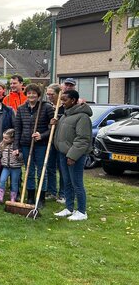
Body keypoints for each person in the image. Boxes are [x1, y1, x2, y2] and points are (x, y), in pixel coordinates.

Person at [53, 90, 92, 221]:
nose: (62, 103)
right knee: (67, 182)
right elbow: (64, 133)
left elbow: (83, 139)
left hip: (75, 156)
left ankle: (82, 211)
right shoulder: (65, 115)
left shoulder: (83, 117)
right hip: (63, 154)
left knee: (77, 183)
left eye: (65, 100)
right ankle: (69, 208)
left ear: (74, 100)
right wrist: (54, 123)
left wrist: (72, 156)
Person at [13, 84, 54, 207]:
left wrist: (42, 135)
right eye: (29, 93)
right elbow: (18, 129)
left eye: (34, 93)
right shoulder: (21, 109)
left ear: (38, 95)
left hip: (41, 144)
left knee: (41, 171)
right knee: (29, 171)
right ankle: (30, 197)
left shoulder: (46, 107)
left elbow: (52, 127)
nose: (31, 95)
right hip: (25, 143)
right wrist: (16, 147)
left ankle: (41, 198)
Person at [45, 84, 66, 203]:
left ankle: (63, 193)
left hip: (62, 141)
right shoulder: (48, 107)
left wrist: (59, 122)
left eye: (52, 94)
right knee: (50, 167)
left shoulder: (65, 107)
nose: (49, 97)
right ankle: (51, 191)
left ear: (59, 94)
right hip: (50, 141)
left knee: (62, 168)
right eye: (48, 94)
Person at [0, 129, 23, 203]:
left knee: (14, 183)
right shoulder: (2, 144)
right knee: (2, 181)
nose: (4, 140)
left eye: (6, 138)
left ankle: (13, 199)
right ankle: (0, 197)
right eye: (3, 138)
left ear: (12, 138)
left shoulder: (17, 145)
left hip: (16, 168)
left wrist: (17, 154)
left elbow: (22, 157)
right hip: (5, 167)